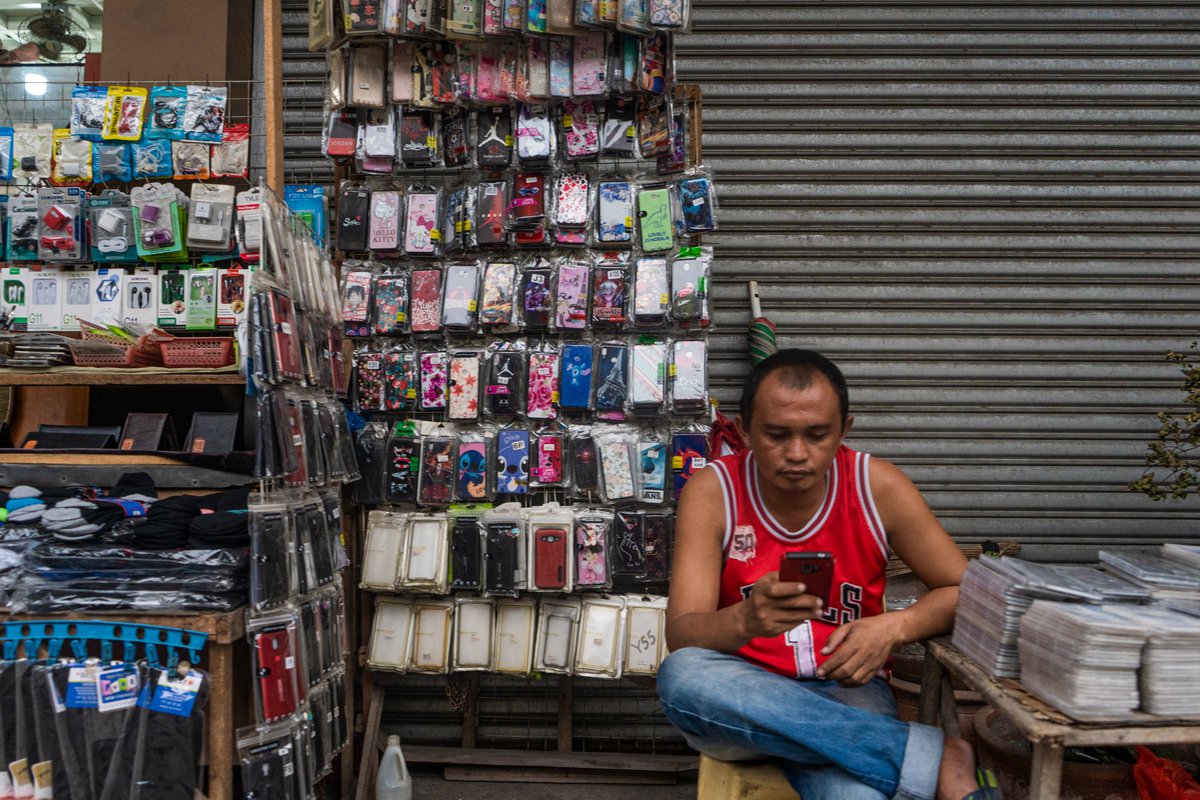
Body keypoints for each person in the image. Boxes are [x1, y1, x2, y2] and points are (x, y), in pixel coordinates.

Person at [657, 349, 998, 800]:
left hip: (847, 695)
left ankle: (881, 752)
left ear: (845, 430)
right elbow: (682, 635)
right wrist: (743, 622)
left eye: (817, 435)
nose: (796, 454)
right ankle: (936, 758)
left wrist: (895, 627)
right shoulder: (712, 491)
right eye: (776, 435)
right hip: (741, 701)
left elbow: (966, 590)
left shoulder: (878, 487)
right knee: (683, 677)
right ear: (744, 430)